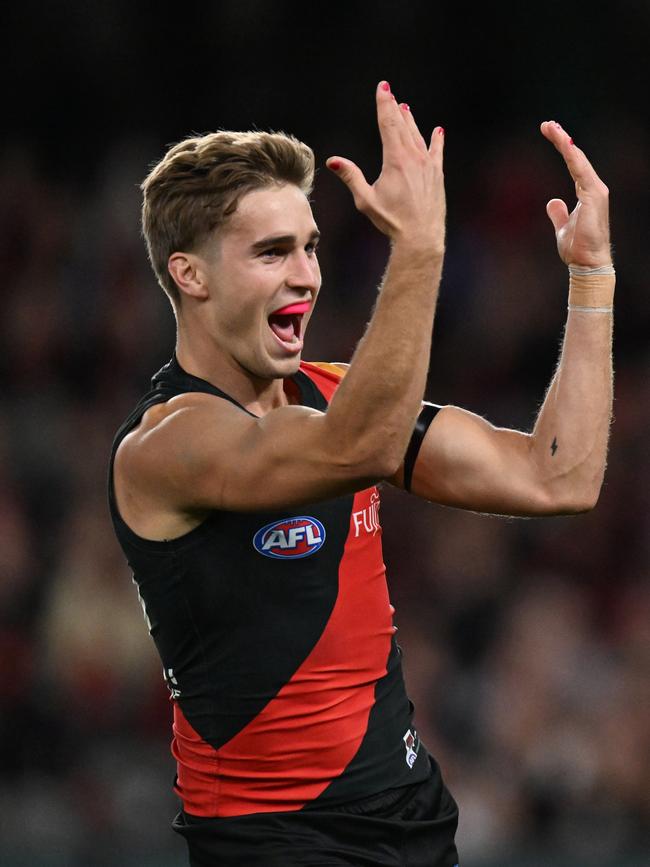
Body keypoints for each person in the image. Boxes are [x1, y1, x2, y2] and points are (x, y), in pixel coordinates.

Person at [108, 80, 614, 866]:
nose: (307, 275)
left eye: (310, 246)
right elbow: (358, 449)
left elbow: (559, 478)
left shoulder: (341, 396)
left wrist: (591, 282)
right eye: (272, 252)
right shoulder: (168, 445)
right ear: (190, 275)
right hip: (273, 841)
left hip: (412, 820)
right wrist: (419, 248)